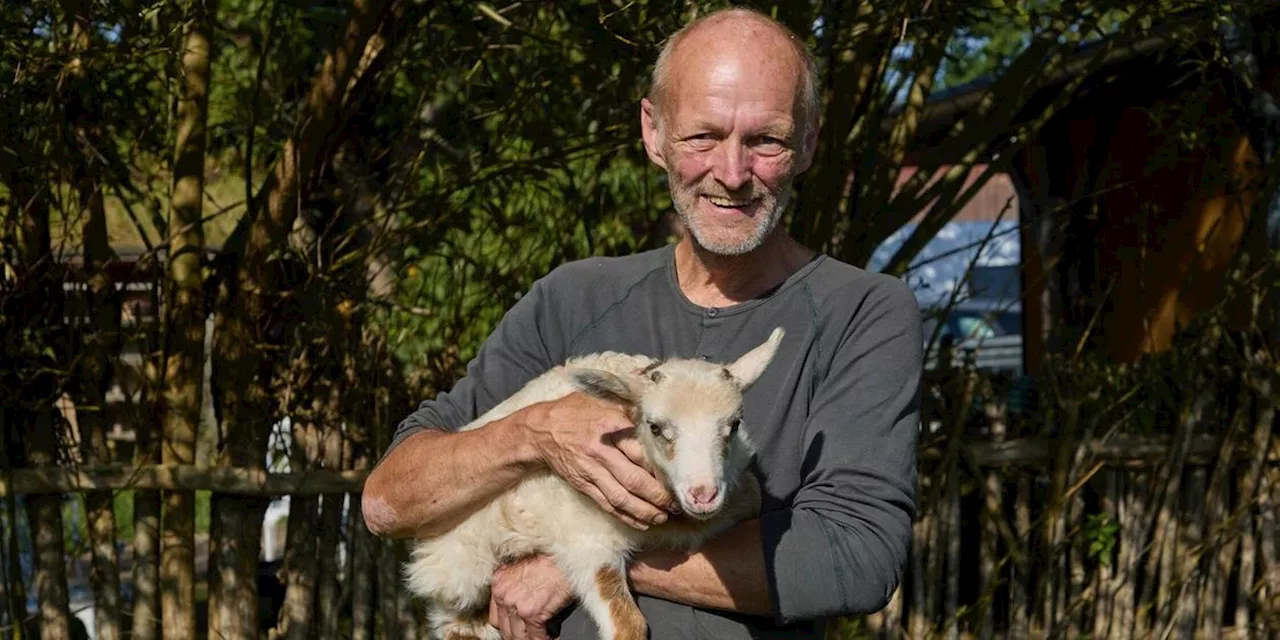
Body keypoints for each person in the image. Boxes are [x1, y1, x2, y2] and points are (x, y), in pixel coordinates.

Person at [362, 7, 922, 639]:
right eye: (702, 137)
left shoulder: (863, 312)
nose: (732, 174)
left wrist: (581, 557)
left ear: (809, 142)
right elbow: (391, 499)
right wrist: (534, 433)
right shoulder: (573, 297)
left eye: (765, 140)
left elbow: (856, 560)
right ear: (654, 133)